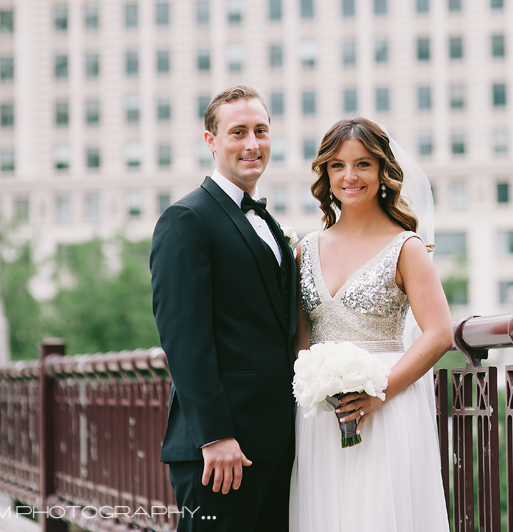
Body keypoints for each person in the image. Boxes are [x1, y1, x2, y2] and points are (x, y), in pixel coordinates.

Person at [289, 117, 453, 531]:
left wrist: (381, 393)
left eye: (363, 164)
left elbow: (439, 334)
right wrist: (314, 384)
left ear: (382, 171)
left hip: (388, 407)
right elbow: (301, 339)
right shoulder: (305, 249)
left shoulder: (406, 247)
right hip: (321, 417)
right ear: (325, 173)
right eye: (338, 165)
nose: (350, 176)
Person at [150, 86, 297, 532]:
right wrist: (215, 436)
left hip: (274, 441)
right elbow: (183, 339)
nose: (252, 144)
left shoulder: (267, 221)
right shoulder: (186, 219)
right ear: (211, 141)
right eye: (238, 132)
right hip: (221, 451)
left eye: (261, 131)